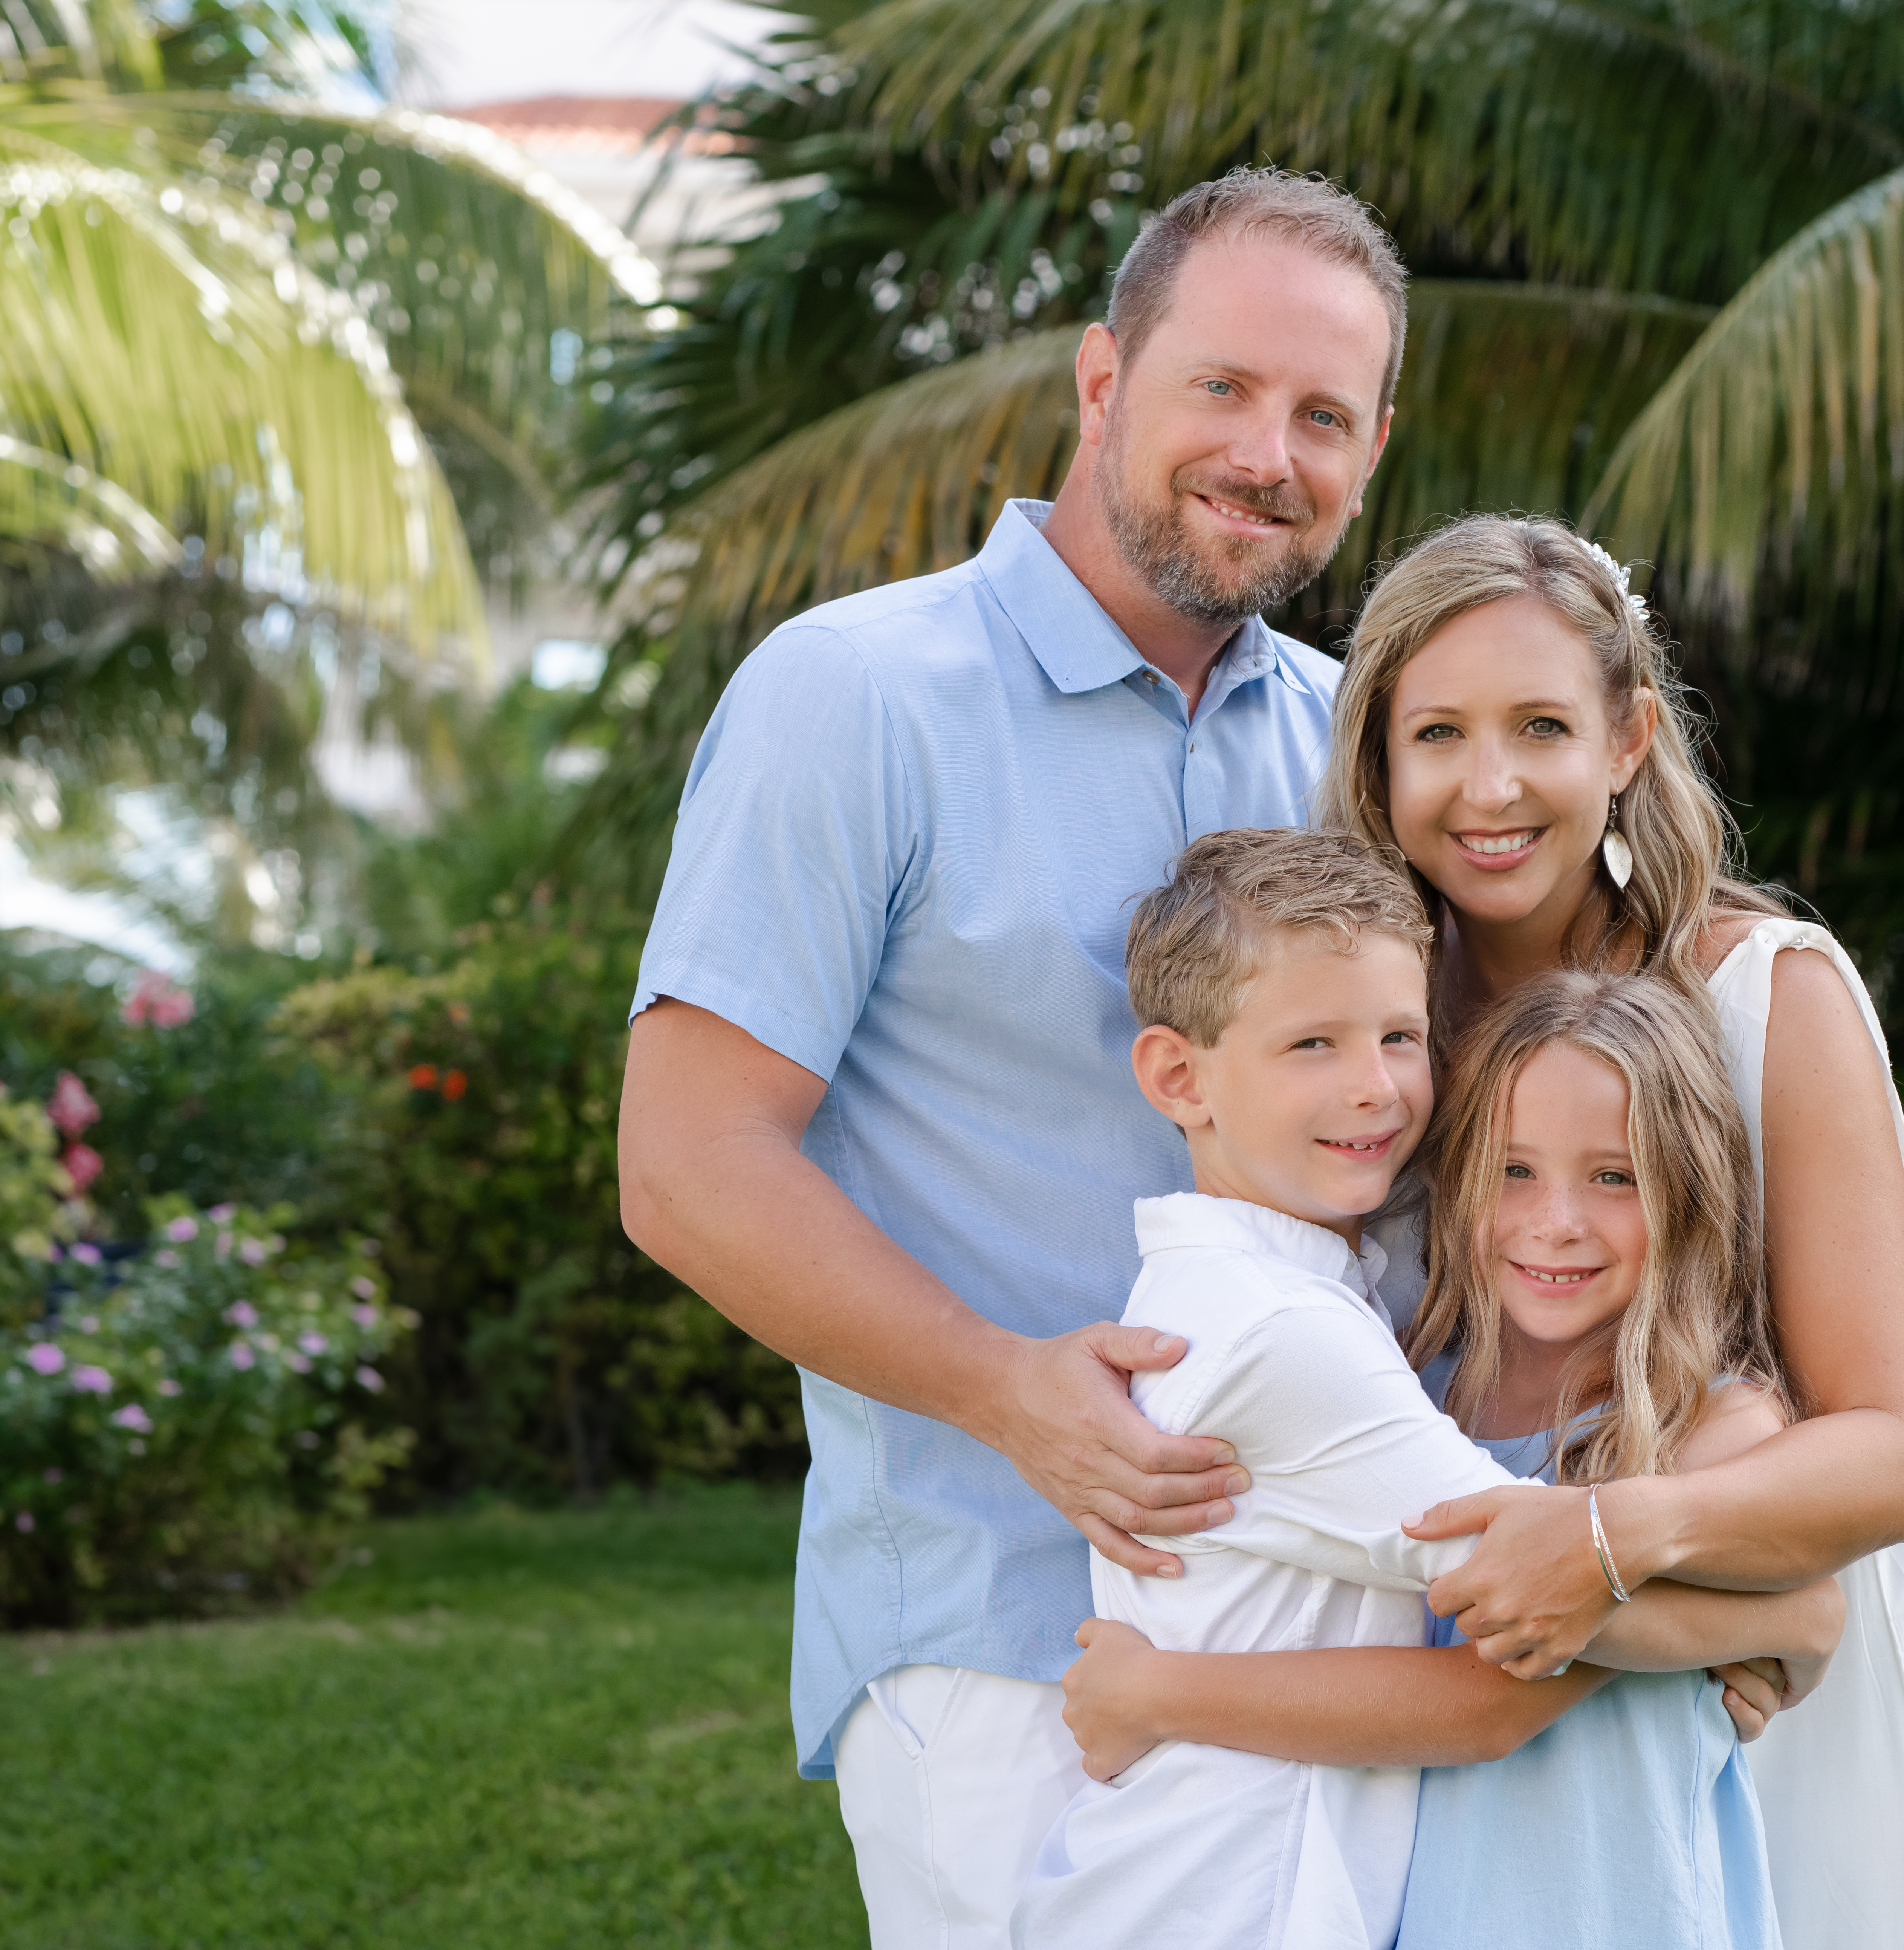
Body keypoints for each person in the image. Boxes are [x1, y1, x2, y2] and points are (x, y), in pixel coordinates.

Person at [614, 168, 1409, 1949]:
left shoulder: (1360, 742)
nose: (1268, 451)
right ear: (1103, 383)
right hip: (1004, 1643)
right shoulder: (857, 695)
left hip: (1340, 1639)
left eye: (1323, 416)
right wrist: (1005, 1391)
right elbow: (684, 1164)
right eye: (1222, 386)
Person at [1317, 514, 1904, 1949]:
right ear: (1377, 763)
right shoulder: (1378, 1033)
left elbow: (1889, 1451)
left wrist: (1612, 1542)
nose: (1490, 785)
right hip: (1502, 1696)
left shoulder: (1768, 997)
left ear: (1631, 738)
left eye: (1540, 726)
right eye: (1439, 734)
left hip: (1771, 1649)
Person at [1019, 834, 1839, 1950]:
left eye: (1400, 1039)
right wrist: (1792, 1614)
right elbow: (1516, 1641)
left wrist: (1161, 1690)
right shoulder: (1290, 1335)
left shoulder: (1315, 1312)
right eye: (1313, 1043)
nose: (1373, 1087)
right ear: (1178, 1077)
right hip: (1214, 1901)